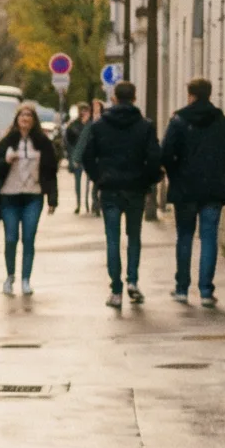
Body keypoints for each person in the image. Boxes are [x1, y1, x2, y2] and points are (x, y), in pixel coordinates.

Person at [80, 79, 161, 310]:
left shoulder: (99, 125)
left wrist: (99, 177)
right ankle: (133, 281)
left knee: (113, 239)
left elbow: (87, 156)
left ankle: (116, 290)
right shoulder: (145, 126)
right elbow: (154, 157)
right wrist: (147, 179)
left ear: (114, 98)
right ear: (134, 98)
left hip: (110, 188)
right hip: (135, 188)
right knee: (134, 237)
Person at [161, 78, 225, 308]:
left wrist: (175, 177)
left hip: (185, 189)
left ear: (190, 95)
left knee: (184, 237)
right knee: (209, 238)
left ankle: (182, 289)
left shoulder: (179, 121)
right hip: (213, 188)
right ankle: (206, 291)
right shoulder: (222, 122)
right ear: (209, 94)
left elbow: (165, 154)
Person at [0, 103, 59, 296]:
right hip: (9, 196)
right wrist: (6, 161)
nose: (25, 119)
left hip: (33, 196)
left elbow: (50, 171)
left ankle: (26, 279)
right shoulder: (7, 141)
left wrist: (52, 198)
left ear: (34, 120)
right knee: (11, 239)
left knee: (29, 238)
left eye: (29, 116)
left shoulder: (42, 143)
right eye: (22, 116)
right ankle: (10, 276)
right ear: (17, 119)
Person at [65, 101, 98, 215]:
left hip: (90, 157)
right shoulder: (73, 125)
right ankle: (79, 204)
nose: (83, 112)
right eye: (81, 110)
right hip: (78, 156)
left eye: (85, 110)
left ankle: (90, 204)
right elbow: (69, 142)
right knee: (78, 182)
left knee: (92, 182)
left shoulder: (92, 125)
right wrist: (72, 157)